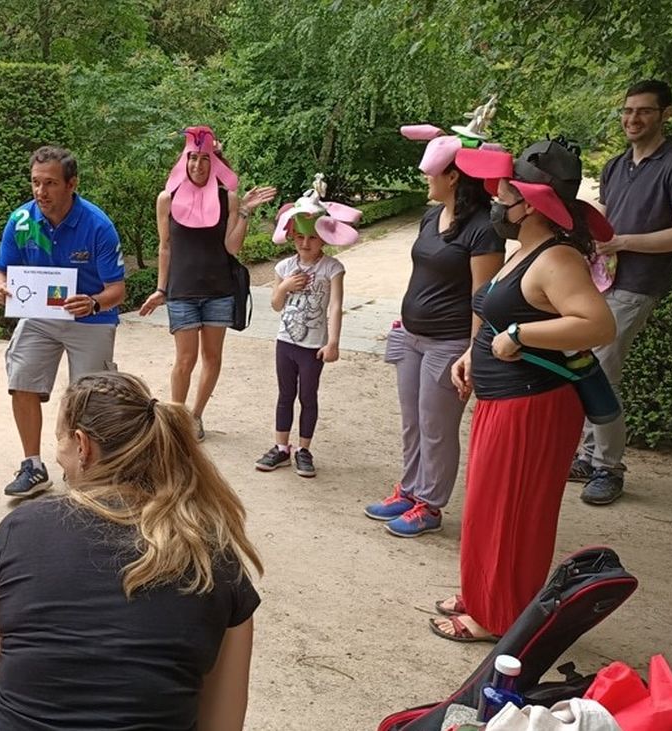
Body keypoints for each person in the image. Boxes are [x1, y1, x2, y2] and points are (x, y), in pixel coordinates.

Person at [0, 371, 263, 730]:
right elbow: (223, 723)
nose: (58, 456)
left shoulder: (22, 527)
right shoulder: (212, 554)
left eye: (59, 440)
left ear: (82, 444)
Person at [429, 138, 617, 642]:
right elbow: (504, 312)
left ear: (531, 202)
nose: (495, 200)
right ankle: (481, 593)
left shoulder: (557, 260)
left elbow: (598, 325)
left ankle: (497, 617)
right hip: (503, 401)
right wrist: (476, 351)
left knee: (511, 513)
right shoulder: (525, 250)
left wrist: (521, 335)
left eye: (504, 193)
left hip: (533, 406)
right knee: (488, 506)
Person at [365, 116, 506, 537]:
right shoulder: (432, 217)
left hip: (448, 343)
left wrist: (472, 350)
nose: (425, 176)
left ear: (455, 175)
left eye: (433, 170)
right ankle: (408, 491)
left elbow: (484, 297)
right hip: (411, 336)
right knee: (412, 421)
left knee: (437, 426)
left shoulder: (484, 230)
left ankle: (430, 504)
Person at [572, 79, 672, 505]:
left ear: (666, 114)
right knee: (587, 363)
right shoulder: (614, 165)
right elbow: (605, 223)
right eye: (628, 111)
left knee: (603, 369)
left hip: (639, 283)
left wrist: (623, 242)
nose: (633, 119)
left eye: (644, 111)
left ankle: (608, 468)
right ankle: (591, 457)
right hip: (602, 279)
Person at [0, 146, 126, 498]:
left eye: (49, 183)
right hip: (40, 316)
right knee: (21, 378)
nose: (40, 192)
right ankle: (33, 466)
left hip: (91, 319)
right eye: (35, 183)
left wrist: (93, 302)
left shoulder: (98, 225)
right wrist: (1, 286)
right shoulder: (21, 220)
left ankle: (89, 469)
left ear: (71, 184)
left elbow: (118, 290)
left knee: (90, 397)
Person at [137, 127, 278, 440]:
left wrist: (244, 213)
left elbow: (232, 248)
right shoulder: (167, 198)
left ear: (214, 162)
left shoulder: (227, 198)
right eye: (192, 158)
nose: (197, 165)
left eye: (204, 159)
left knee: (212, 358)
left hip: (218, 290)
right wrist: (161, 289)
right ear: (183, 161)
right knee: (185, 359)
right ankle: (176, 418)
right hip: (182, 292)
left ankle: (196, 416)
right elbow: (165, 246)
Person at [254, 178, 360, 477]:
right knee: (285, 394)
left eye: (312, 237)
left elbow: (336, 305)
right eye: (299, 237)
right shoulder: (284, 268)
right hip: (285, 341)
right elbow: (275, 304)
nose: (305, 243)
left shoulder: (332, 269)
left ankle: (303, 448)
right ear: (291, 237)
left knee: (308, 396)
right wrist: (285, 286)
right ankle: (281, 447)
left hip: (313, 346)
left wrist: (334, 342)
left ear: (323, 237)